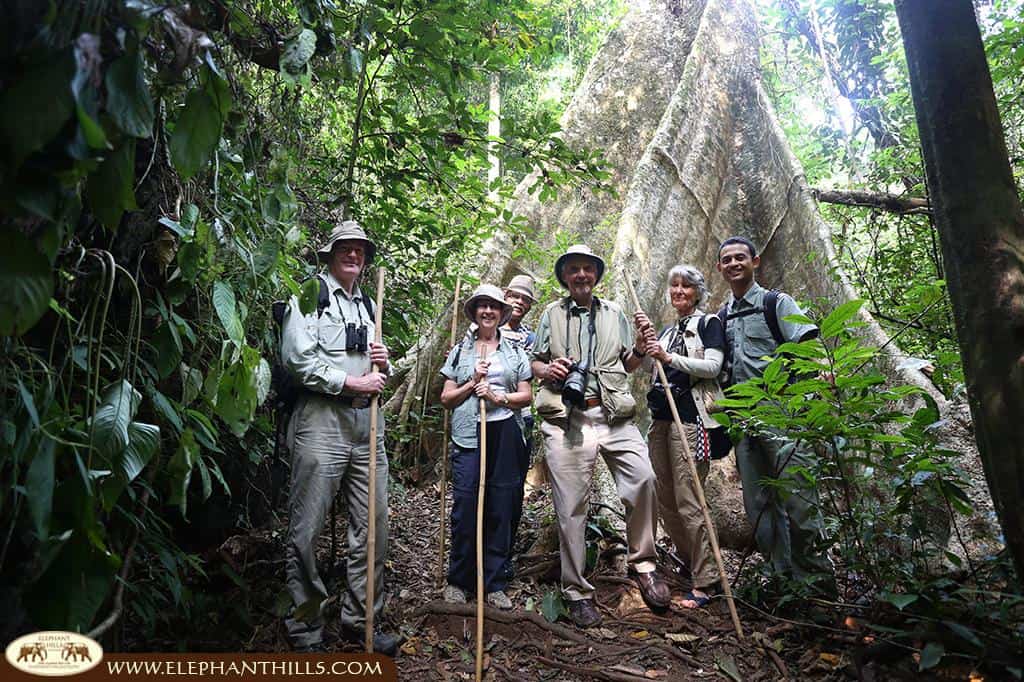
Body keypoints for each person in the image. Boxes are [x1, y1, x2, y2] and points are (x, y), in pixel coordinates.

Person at [531, 244, 671, 628]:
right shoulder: (551, 314)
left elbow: (629, 362)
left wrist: (642, 349)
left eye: (587, 269)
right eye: (573, 269)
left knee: (643, 479)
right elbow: (534, 360)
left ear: (596, 275)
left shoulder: (614, 313)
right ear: (564, 276)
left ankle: (643, 564)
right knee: (571, 505)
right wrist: (548, 370)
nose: (580, 275)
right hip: (567, 419)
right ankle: (576, 591)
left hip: (614, 415)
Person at [279, 220, 399, 654]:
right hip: (322, 421)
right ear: (329, 254)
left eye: (360, 250)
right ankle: (306, 626)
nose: (354, 255)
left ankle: (360, 619)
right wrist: (352, 384)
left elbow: (376, 373)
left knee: (373, 527)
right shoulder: (310, 296)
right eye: (345, 248)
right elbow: (297, 358)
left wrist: (383, 365)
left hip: (368, 427)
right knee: (307, 527)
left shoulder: (366, 305)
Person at [715, 235, 833, 588]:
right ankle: (783, 583)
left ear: (756, 261)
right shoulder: (723, 316)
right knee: (760, 508)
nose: (734, 264)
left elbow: (806, 346)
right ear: (720, 268)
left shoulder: (775, 302)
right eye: (727, 260)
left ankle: (817, 585)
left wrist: (808, 397)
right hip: (742, 420)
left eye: (740, 258)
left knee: (799, 501)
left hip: (781, 413)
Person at [634, 264, 732, 609]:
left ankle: (708, 581)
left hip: (690, 420)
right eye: (674, 285)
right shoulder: (667, 328)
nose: (678, 291)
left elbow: (713, 367)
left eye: (686, 286)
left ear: (698, 292)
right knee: (664, 499)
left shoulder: (709, 323)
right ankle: (691, 563)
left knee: (690, 499)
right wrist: (643, 345)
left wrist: (668, 355)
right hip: (660, 419)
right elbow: (648, 367)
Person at [439, 284, 533, 610]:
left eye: (494, 307)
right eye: (482, 306)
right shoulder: (461, 351)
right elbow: (446, 398)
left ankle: (494, 582)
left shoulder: (514, 351)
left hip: (504, 431)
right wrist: (471, 383)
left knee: (501, 505)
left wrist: (498, 396)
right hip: (468, 432)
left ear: (502, 313)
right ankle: (458, 580)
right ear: (475, 312)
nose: (488, 312)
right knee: (465, 506)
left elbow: (526, 395)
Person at [499, 274, 538, 578]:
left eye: (526, 299)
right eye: (516, 296)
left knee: (512, 490)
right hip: (484, 419)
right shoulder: (483, 327)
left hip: (520, 420)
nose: (520, 303)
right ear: (504, 294)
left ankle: (503, 555)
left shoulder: (531, 338)